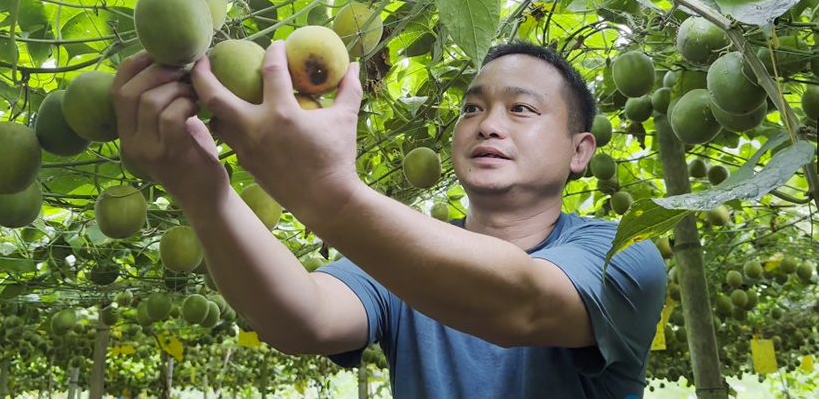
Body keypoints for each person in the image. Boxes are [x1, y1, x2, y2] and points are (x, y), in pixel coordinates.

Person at [111, 40, 667, 399]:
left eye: (521, 109)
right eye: (472, 108)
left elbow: (522, 304)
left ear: (580, 151)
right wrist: (203, 193)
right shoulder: (402, 259)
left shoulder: (624, 248)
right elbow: (302, 320)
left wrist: (326, 193)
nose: (487, 125)